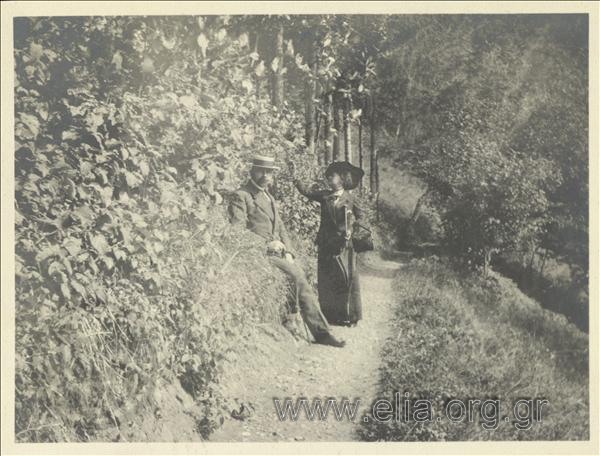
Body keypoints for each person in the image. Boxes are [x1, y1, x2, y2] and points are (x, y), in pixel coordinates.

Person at [228, 154, 345, 348]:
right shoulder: (241, 196)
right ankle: (321, 333)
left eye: (270, 172)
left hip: (278, 252)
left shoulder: (269, 196)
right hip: (257, 253)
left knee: (299, 270)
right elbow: (237, 232)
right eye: (261, 171)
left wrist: (289, 251)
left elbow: (281, 228)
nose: (266, 176)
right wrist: (265, 245)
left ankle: (292, 319)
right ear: (252, 171)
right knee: (297, 275)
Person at [291, 160, 365, 326]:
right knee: (326, 279)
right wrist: (296, 178)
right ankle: (330, 316)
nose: (328, 179)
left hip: (344, 246)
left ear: (341, 179)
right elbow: (307, 191)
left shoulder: (351, 199)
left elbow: (362, 218)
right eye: (328, 177)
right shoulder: (324, 195)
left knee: (346, 279)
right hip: (326, 244)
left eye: (332, 176)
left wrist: (352, 231)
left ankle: (351, 315)